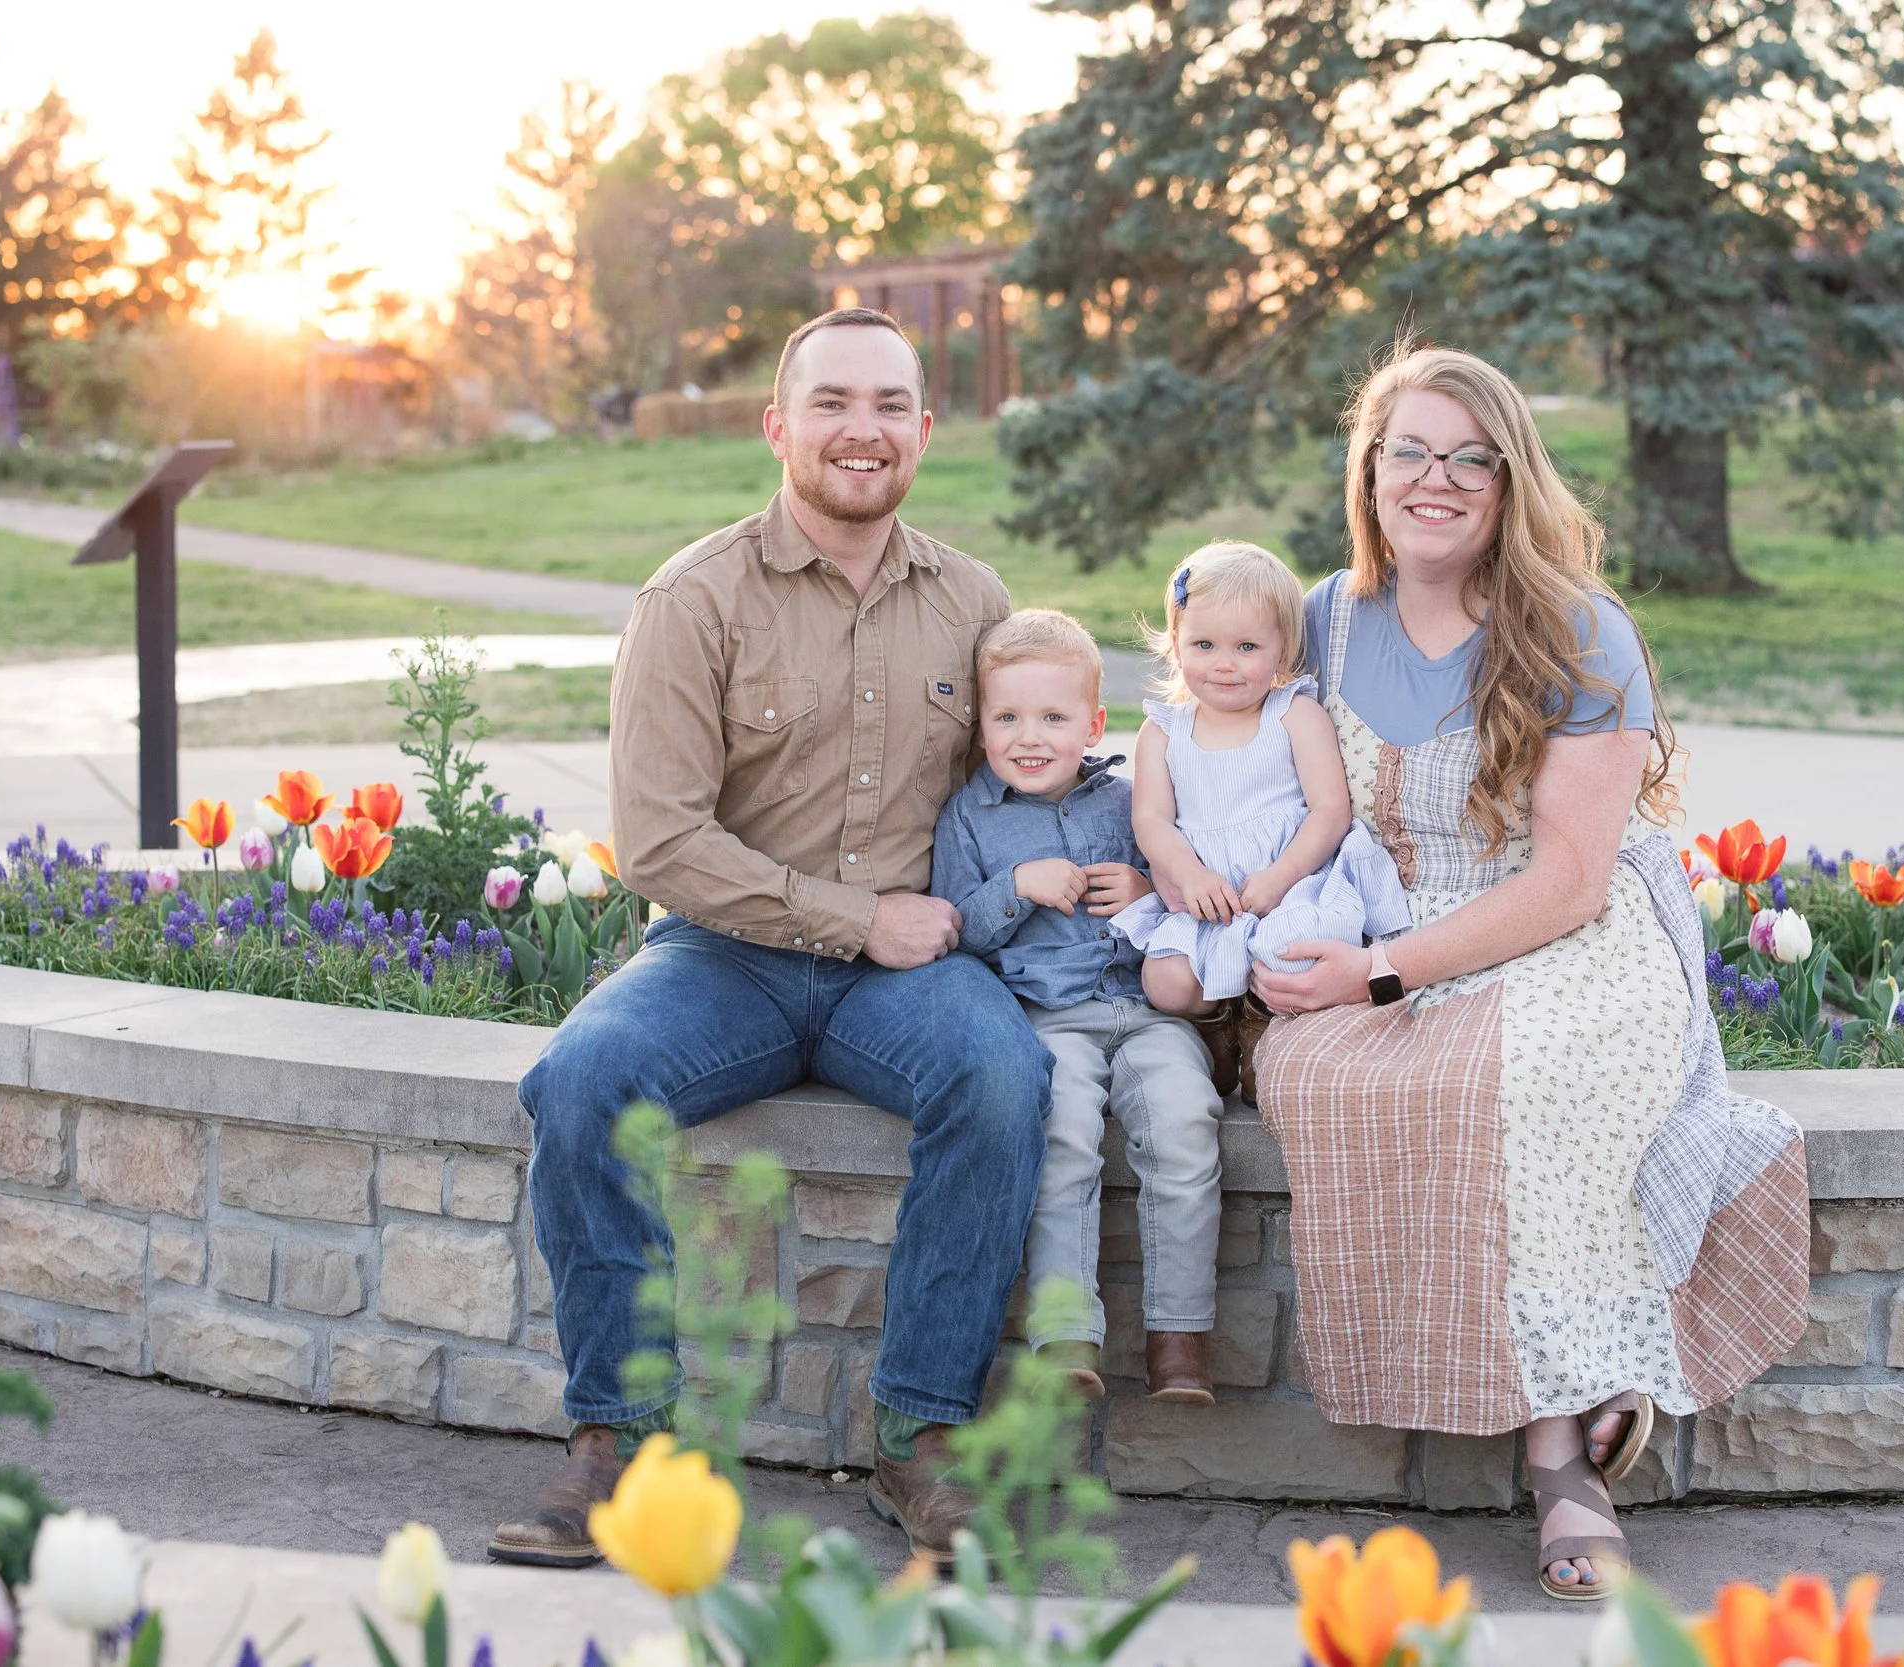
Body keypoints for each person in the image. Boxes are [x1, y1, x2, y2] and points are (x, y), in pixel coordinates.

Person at [1246, 346, 1810, 1602]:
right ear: (1370, 471)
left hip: (1569, 927)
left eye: (1468, 457)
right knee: (1322, 1075)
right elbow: (1225, 754)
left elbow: (1567, 879)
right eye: (1409, 452)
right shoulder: (1326, 616)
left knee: (1528, 1076)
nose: (1434, 479)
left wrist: (1377, 973)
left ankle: (1561, 1454)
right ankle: (1469, 1374)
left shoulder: (1577, 627)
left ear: (1507, 480)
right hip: (1377, 916)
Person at [493, 308, 1048, 1570]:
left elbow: (1024, 782)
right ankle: (620, 1439)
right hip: (723, 955)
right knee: (581, 1077)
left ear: (921, 428)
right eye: (835, 403)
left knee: (1002, 1074)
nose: (864, 430)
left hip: (908, 975)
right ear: (778, 425)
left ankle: (917, 1436)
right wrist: (857, 917)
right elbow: (659, 840)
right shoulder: (691, 600)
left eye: (890, 406)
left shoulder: (975, 598)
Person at [927, 609, 1227, 1404]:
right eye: (1008, 717)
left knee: (1186, 1124)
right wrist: (1015, 888)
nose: (1030, 737)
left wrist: (1143, 892)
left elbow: (1182, 901)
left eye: (1054, 718)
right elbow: (952, 931)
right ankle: (1066, 1335)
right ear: (981, 724)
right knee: (1061, 1138)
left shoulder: (1131, 802)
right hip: (1046, 1020)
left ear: (1094, 722)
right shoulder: (969, 816)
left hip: (1146, 1013)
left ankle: (1180, 1337)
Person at [1110, 541, 1410, 1013]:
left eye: (1247, 646)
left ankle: (1258, 1019)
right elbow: (1151, 820)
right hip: (1207, 894)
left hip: (1289, 881)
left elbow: (1330, 811)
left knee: (1293, 954)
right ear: (1176, 641)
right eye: (1204, 645)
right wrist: (1188, 875)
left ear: (1282, 649)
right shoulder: (1163, 731)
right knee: (1165, 983)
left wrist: (1280, 877)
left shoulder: (1294, 715)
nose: (1224, 664)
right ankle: (1219, 1027)